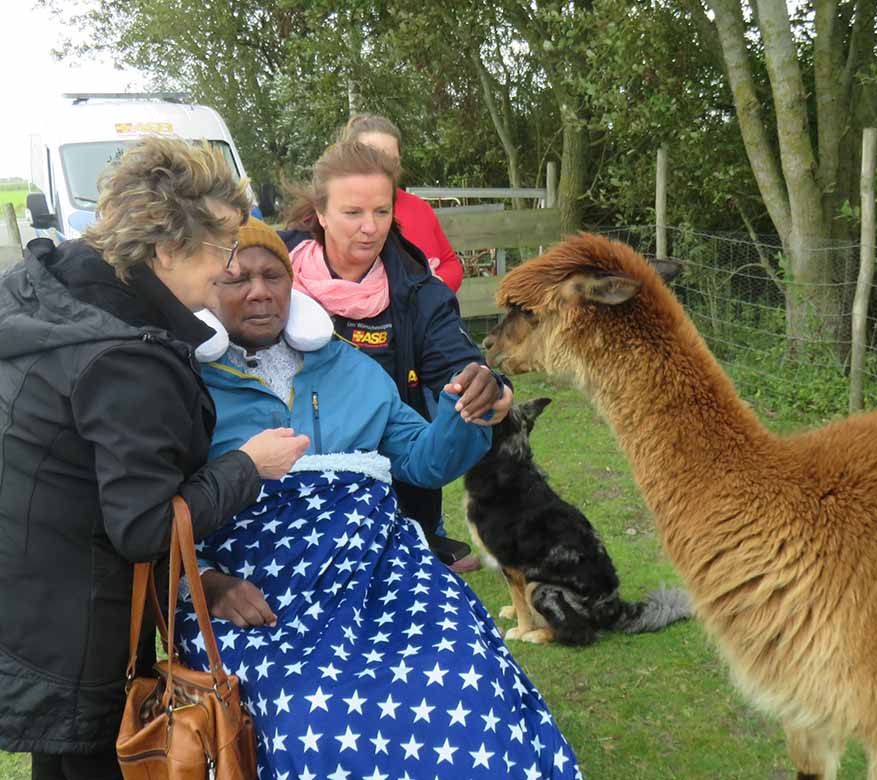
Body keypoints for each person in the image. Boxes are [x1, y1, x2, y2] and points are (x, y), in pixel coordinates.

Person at [180, 218, 581, 780]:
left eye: (273, 273)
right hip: (258, 593)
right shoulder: (183, 384)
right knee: (311, 723)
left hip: (382, 573)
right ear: (205, 291)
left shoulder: (352, 369)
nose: (258, 290)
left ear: (293, 285)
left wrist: (465, 410)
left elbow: (424, 460)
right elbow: (157, 512)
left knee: (467, 677)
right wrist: (206, 582)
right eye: (236, 277)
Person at [0, 138, 307, 780]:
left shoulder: (51, 288)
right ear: (166, 248)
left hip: (28, 593)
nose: (228, 269)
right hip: (80, 628)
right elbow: (143, 528)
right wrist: (249, 465)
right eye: (221, 249)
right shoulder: (125, 358)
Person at [282, 139, 510, 573]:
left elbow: (459, 363)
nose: (370, 227)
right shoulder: (270, 279)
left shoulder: (420, 292)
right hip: (288, 513)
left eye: (382, 212)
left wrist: (487, 388)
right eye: (353, 213)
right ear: (321, 214)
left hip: (395, 509)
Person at [344, 113, 464, 292]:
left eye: (392, 161)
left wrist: (435, 285)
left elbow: (451, 264)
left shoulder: (419, 207)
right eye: (373, 159)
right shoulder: (335, 211)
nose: (385, 169)